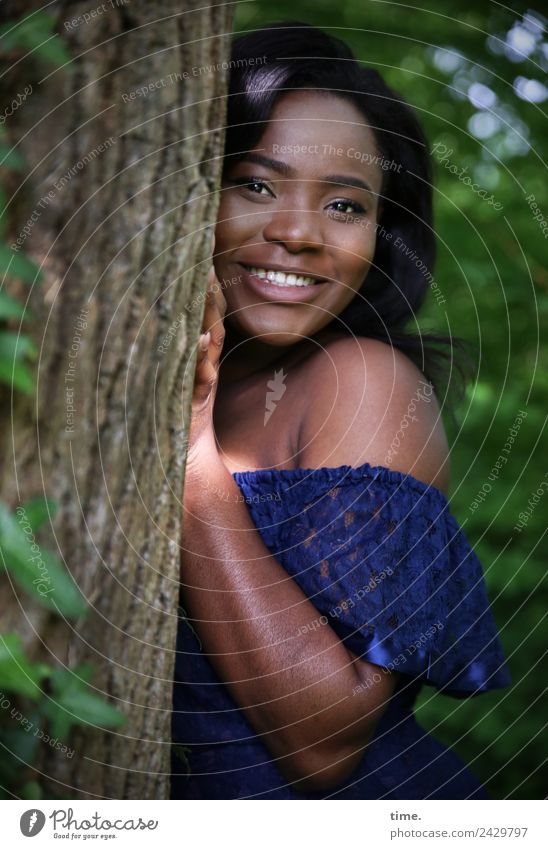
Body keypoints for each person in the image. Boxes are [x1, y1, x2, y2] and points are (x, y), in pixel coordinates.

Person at [171, 21, 511, 799]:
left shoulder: (358, 380)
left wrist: (191, 451)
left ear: (381, 236)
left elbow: (325, 743)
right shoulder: (198, 371)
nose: (298, 233)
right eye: (256, 184)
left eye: (346, 206)